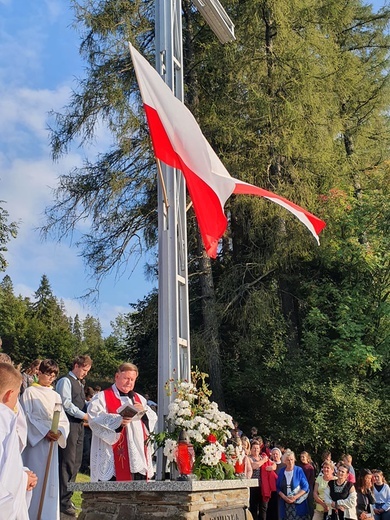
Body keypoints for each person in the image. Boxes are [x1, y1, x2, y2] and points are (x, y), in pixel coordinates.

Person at [88, 362, 157, 482]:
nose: (129, 382)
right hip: (111, 452)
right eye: (126, 378)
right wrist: (118, 422)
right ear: (117, 377)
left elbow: (153, 419)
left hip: (136, 452)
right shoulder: (102, 397)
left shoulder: (139, 399)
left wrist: (144, 413)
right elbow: (93, 419)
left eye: (132, 379)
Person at [21, 359, 69, 520]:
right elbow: (26, 418)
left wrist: (59, 432)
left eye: (53, 375)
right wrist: (43, 432)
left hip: (51, 444)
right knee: (35, 480)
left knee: (49, 483)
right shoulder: (30, 393)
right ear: (39, 373)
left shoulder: (56, 395)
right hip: (36, 444)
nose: (50, 377)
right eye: (47, 373)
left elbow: (62, 420)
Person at [0, 362, 38, 519]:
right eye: (17, 396)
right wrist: (24, 478)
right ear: (9, 394)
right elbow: (5, 479)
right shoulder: (4, 418)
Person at [56, 354, 92, 516]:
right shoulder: (66, 381)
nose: (85, 373)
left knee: (76, 463)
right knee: (67, 462)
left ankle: (68, 498)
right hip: (68, 424)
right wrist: (84, 415)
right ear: (76, 365)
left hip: (78, 426)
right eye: (84, 370)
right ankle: (62, 501)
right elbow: (66, 403)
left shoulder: (79, 382)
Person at [277, 450, 310, 520]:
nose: (290, 462)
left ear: (294, 459)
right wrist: (285, 497)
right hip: (285, 504)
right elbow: (278, 488)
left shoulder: (299, 470)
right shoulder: (281, 471)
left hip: (298, 503)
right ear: (284, 461)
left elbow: (305, 486)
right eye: (288, 460)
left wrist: (295, 497)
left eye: (292, 459)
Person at [249, 440, 269, 520]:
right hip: (253, 486)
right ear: (251, 449)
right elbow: (254, 466)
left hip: (263, 486)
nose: (256, 450)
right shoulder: (249, 458)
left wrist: (273, 466)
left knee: (263, 508)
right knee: (254, 507)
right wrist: (264, 460)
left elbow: (273, 463)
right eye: (254, 448)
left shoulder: (262, 457)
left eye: (257, 448)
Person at [266, 447, 286, 520]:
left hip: (281, 490)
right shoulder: (269, 464)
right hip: (272, 491)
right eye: (273, 454)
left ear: (280, 455)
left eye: (276, 454)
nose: (275, 456)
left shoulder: (284, 465)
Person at [300, 451, 316, 517]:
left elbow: (311, 480)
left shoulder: (310, 467)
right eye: (301, 457)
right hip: (300, 487)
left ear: (307, 458)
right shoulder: (299, 467)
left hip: (309, 487)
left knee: (310, 504)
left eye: (303, 457)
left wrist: (307, 488)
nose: (302, 458)